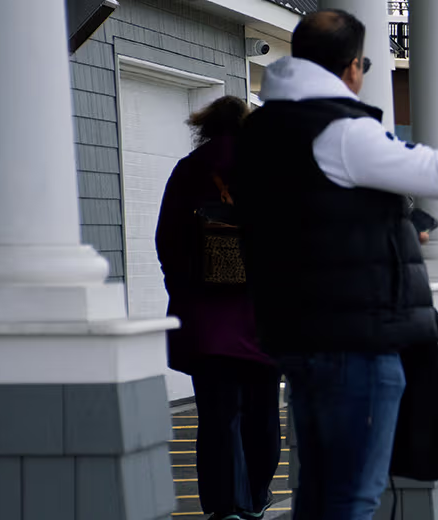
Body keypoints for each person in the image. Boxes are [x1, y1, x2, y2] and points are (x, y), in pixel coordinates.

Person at [231, 8, 438, 520]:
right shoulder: (338, 132)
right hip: (355, 342)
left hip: (298, 336)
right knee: (352, 498)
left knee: (320, 495)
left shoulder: (263, 130)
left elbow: (312, 222)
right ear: (351, 67)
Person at [156, 96, 281, 520]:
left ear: (204, 127)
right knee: (263, 413)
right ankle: (258, 496)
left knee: (216, 418)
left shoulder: (188, 171)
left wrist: (186, 291)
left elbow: (167, 243)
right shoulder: (270, 169)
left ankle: (224, 505)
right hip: (264, 318)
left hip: (207, 321)